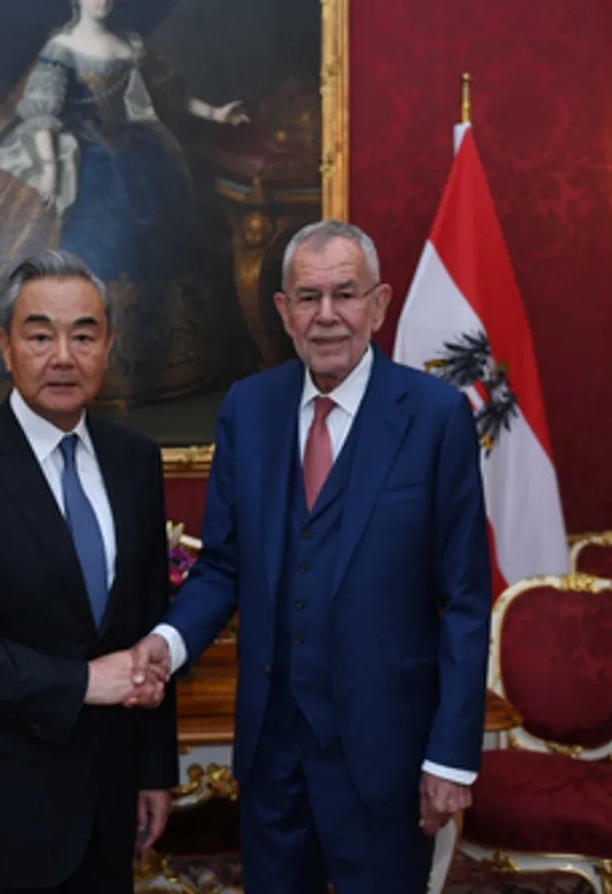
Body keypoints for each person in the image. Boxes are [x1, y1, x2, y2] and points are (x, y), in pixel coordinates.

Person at [131, 220, 493, 893]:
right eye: (307, 297)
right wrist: (167, 643)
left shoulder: (435, 416)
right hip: (272, 755)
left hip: (386, 753)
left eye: (344, 294)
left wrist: (450, 757)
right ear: (283, 311)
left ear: (378, 305)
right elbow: (222, 567)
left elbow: (467, 601)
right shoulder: (248, 408)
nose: (326, 316)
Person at [0, 249, 179, 894]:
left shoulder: (135, 461)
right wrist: (82, 682)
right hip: (0, 804)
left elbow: (148, 628)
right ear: (5, 346)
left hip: (110, 799)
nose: (63, 357)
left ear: (108, 346)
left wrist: (153, 771)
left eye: (84, 336)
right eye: (40, 336)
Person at [0, 0, 248, 439]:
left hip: (137, 157)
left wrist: (217, 114)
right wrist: (52, 173)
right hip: (75, 156)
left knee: (159, 239)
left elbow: (169, 97)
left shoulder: (130, 45)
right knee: (91, 243)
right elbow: (42, 115)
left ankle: (155, 363)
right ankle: (81, 364)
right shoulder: (62, 49)